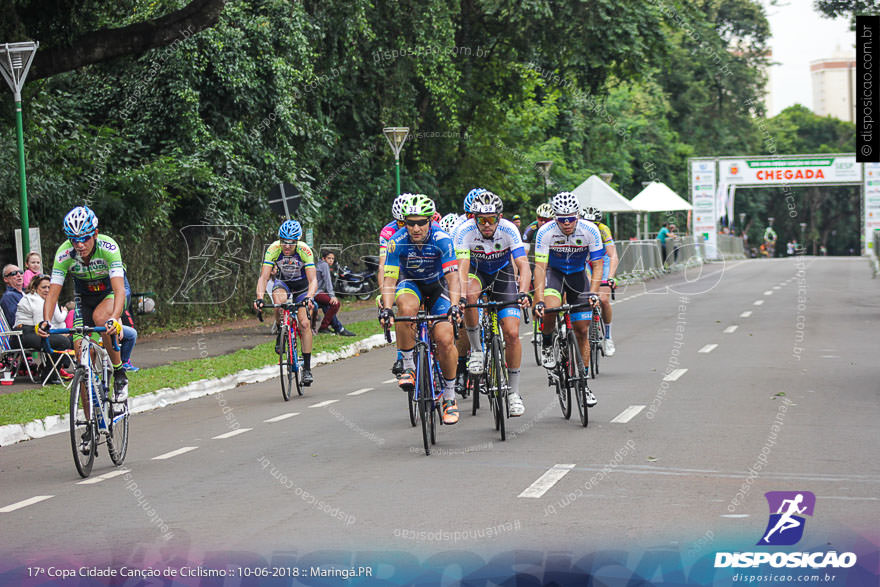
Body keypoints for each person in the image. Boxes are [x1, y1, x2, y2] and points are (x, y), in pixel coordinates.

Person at [37, 206, 129, 427]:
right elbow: (53, 293)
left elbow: (119, 290)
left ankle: (119, 374)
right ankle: (90, 423)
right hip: (83, 299)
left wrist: (115, 318)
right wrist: (46, 321)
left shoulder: (109, 247)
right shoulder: (64, 254)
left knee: (101, 319)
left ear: (95, 234)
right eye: (74, 239)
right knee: (82, 359)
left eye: (85, 238)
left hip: (110, 294)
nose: (79, 245)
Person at [379, 194, 462, 425]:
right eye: (410, 222)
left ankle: (449, 397)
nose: (415, 228)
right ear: (404, 222)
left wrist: (455, 305)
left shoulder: (442, 239)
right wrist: (386, 308)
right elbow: (389, 280)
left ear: (430, 221)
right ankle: (408, 366)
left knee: (444, 339)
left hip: (438, 286)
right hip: (411, 283)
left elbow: (454, 279)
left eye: (421, 222)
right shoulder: (396, 241)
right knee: (404, 308)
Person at [454, 191, 531, 416]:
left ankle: (514, 393)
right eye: (481, 220)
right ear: (473, 218)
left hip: (502, 274)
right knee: (469, 296)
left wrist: (524, 292)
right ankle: (477, 350)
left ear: (500, 217)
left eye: (491, 219)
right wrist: (459, 295)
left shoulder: (509, 229)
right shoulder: (465, 231)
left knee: (512, 333)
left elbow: (523, 265)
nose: (486, 225)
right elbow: (462, 267)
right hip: (476, 273)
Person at [533, 192, 604, 407]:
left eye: (571, 219)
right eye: (562, 220)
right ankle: (546, 342)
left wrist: (593, 292)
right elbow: (540, 267)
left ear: (578, 216)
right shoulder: (545, 232)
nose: (566, 224)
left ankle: (584, 385)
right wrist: (538, 300)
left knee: (582, 330)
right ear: (555, 218)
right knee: (551, 309)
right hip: (554, 275)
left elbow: (598, 264)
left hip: (578, 278)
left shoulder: (590, 230)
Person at [254, 219, 317, 386]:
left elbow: (313, 280)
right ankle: (281, 330)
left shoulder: (305, 250)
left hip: (302, 288)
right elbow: (263, 277)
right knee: (278, 302)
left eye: (290, 243)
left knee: (304, 324)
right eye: (283, 242)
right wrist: (259, 298)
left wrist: (310, 297)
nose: (287, 246)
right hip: (283, 284)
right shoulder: (274, 249)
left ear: (297, 241)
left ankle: (308, 369)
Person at [15, 274, 73, 383]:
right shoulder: (33, 300)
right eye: (44, 287)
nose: (47, 290)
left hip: (36, 331)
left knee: (69, 340)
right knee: (62, 341)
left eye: (49, 287)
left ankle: (53, 371)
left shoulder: (47, 300)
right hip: (22, 334)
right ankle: (49, 376)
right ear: (35, 288)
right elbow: (41, 325)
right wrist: (59, 334)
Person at [581, 206, 619, 357]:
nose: (592, 226)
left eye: (595, 224)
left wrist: (610, 276)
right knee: (585, 294)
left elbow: (612, 255)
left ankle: (608, 337)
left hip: (601, 260)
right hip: (585, 260)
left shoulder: (603, 230)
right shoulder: (576, 229)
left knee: (603, 299)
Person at [314, 250, 355, 336]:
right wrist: (332, 296)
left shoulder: (320, 265)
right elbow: (328, 282)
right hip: (315, 293)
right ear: (323, 258)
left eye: (332, 259)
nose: (331, 260)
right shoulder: (324, 265)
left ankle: (338, 328)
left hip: (318, 292)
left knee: (327, 306)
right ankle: (324, 327)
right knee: (336, 303)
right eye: (329, 258)